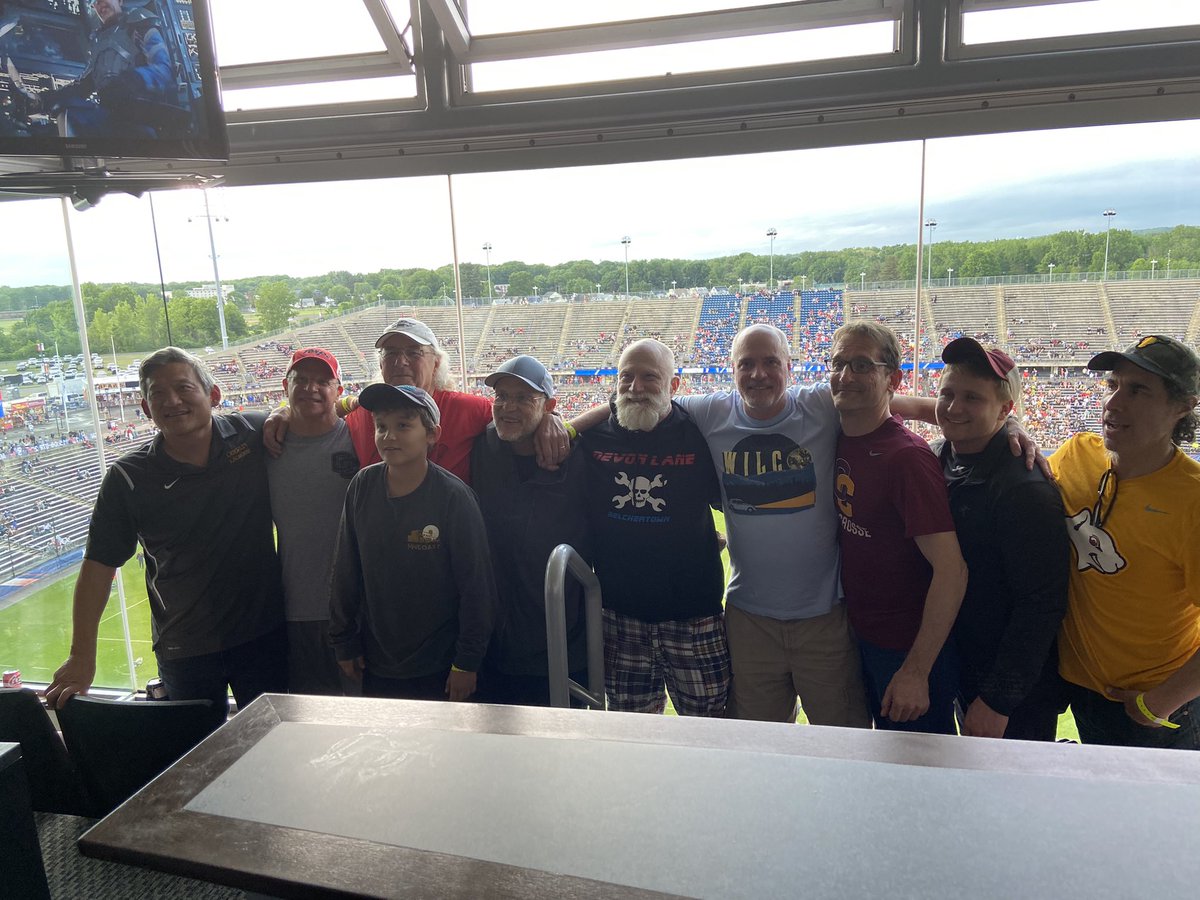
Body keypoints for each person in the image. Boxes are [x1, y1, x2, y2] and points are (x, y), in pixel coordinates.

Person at [44, 347, 286, 726]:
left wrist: (283, 411)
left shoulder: (251, 434)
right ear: (145, 408)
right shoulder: (128, 478)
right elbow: (97, 568)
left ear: (213, 395)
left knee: (276, 747)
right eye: (158, 394)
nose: (172, 401)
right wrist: (81, 656)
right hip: (185, 648)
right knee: (193, 763)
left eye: (184, 387)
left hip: (263, 637)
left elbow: (311, 415)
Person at [1050, 335, 1200, 750]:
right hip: (1082, 690)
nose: (1114, 403)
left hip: (1155, 705)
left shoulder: (1192, 502)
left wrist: (1157, 703)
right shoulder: (1074, 455)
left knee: (1164, 816)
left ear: (1183, 406)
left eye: (1138, 390)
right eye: (1114, 385)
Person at [578, 339, 730, 716]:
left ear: (674, 386)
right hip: (619, 618)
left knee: (710, 728)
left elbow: (733, 504)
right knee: (634, 736)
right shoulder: (591, 437)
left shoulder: (699, 435)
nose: (635, 387)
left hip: (695, 618)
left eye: (650, 377)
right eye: (626, 376)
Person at [829, 321, 967, 734]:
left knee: (924, 780)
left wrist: (915, 671)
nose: (845, 375)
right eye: (838, 363)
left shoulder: (906, 458)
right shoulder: (836, 430)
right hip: (862, 638)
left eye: (860, 365)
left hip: (906, 650)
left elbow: (952, 570)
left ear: (892, 378)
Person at [933, 338, 1069, 741]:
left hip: (1012, 694)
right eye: (947, 394)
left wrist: (997, 701)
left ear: (1006, 409)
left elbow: (1042, 604)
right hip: (964, 666)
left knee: (1015, 799)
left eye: (972, 397)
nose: (954, 407)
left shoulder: (1022, 487)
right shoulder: (943, 457)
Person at [329, 383, 495, 701]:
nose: (389, 436)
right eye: (381, 427)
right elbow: (345, 571)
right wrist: (344, 641)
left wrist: (467, 662)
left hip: (441, 666)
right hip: (376, 663)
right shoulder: (362, 486)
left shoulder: (454, 497)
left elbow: (477, 587)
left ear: (431, 434)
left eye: (403, 426)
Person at [266, 317, 569, 484]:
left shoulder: (467, 408)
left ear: (436, 363)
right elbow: (321, 408)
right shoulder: (360, 412)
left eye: (413, 353)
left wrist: (551, 420)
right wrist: (284, 413)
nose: (400, 362)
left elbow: (516, 415)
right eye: (391, 354)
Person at [470, 355, 591, 706]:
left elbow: (619, 408)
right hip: (492, 645)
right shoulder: (480, 449)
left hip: (561, 642)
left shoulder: (579, 455)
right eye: (502, 396)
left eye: (524, 398)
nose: (508, 407)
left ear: (550, 405)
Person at [266, 347, 359, 696]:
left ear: (338, 390)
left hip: (356, 612)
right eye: (301, 380)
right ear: (284, 386)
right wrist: (276, 417)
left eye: (323, 381)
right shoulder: (266, 445)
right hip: (293, 612)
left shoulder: (361, 435)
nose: (311, 388)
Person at [41, 0, 179, 138]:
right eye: (96, 2)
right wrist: (43, 100)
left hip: (143, 118)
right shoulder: (99, 40)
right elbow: (83, 86)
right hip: (111, 117)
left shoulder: (139, 24)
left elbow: (164, 71)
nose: (101, 5)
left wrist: (133, 79)